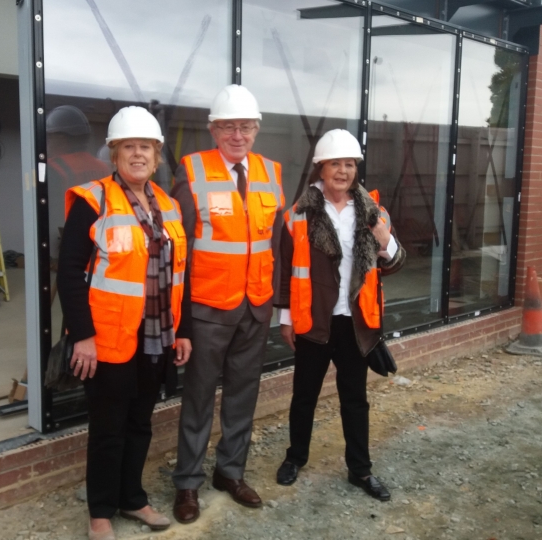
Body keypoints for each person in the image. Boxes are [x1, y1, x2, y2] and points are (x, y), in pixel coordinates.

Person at [57, 106, 193, 540]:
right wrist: (83, 337)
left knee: (140, 422)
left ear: (157, 157)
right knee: (108, 427)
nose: (138, 156)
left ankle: (132, 499)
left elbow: (180, 275)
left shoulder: (168, 206)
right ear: (114, 154)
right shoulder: (92, 200)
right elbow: (69, 273)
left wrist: (183, 329)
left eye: (146, 148)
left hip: (156, 338)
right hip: (109, 338)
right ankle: (100, 511)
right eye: (129, 147)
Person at [169, 84, 284, 524]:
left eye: (246, 127)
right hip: (208, 307)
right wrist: (179, 317)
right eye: (228, 126)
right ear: (214, 130)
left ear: (256, 130)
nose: (238, 134)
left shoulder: (271, 172)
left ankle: (230, 472)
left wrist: (274, 298)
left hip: (255, 304)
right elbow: (182, 247)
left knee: (242, 395)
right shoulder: (192, 170)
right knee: (198, 396)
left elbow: (275, 240)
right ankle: (187, 483)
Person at [274, 129, 405, 501]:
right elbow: (287, 271)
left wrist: (384, 237)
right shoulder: (298, 215)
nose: (343, 171)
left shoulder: (373, 212)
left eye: (349, 164)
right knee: (304, 397)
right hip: (313, 321)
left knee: (355, 398)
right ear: (321, 168)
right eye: (336, 164)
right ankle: (295, 458)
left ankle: (360, 471)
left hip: (355, 323)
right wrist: (285, 319)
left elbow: (395, 263)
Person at [47, 105, 112, 256]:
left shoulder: (54, 169)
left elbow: (52, 214)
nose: (47, 141)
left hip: (71, 240)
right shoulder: (103, 167)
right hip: (101, 240)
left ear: (62, 139)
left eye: (50, 136)